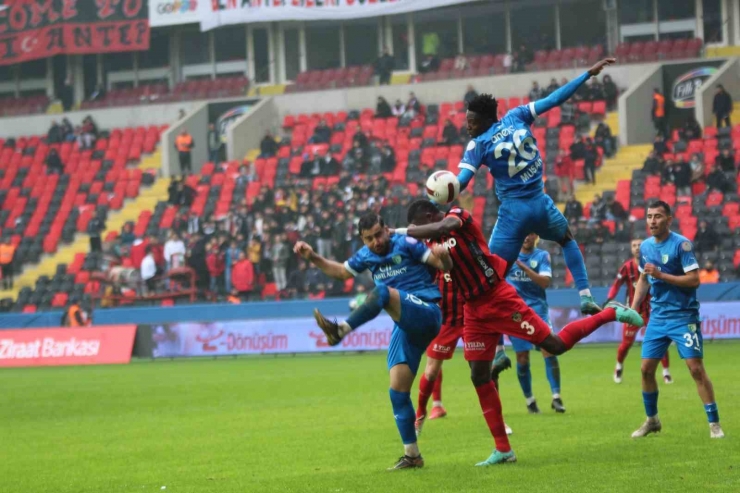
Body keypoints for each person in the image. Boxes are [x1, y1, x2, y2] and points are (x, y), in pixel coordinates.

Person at [404, 199, 644, 466]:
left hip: (498, 298)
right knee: (479, 375)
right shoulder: (432, 242)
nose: (421, 233)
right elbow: (437, 267)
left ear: (428, 215)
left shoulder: (457, 216)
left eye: (420, 226)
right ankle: (503, 449)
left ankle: (610, 313)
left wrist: (406, 231)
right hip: (472, 308)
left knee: (555, 346)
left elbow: (447, 224)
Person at [456, 58, 615, 316]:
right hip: (540, 204)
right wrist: (586, 75)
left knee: (493, 275)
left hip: (513, 213)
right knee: (566, 240)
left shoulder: (479, 144)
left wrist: (444, 192)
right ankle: (585, 295)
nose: (468, 127)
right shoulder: (516, 116)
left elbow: (463, 180)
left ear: (484, 120)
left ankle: (494, 345)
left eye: (471, 122)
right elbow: (554, 100)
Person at [294, 212, 452, 470]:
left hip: (426, 310)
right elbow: (341, 272)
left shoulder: (406, 243)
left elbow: (441, 264)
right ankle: (412, 455)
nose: (376, 241)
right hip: (405, 324)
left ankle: (341, 330)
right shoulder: (366, 255)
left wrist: (444, 258)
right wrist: (312, 257)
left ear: (387, 229)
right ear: (362, 239)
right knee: (398, 392)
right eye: (369, 238)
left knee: (381, 291)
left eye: (379, 234)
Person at [630, 200, 724, 439]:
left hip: (683, 316)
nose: (652, 221)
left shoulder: (682, 245)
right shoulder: (646, 248)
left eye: (658, 216)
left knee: (695, 369)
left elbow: (694, 280)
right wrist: (633, 308)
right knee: (645, 369)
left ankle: (714, 423)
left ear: (669, 220)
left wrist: (661, 275)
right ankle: (652, 420)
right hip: (658, 317)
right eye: (649, 216)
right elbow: (643, 279)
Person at [504, 233, 565, 414]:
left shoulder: (542, 256)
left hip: (538, 310)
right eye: (524, 232)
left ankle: (556, 397)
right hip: (515, 313)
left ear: (536, 236)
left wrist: (525, 269)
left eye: (530, 233)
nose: (526, 237)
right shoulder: (509, 255)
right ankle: (530, 400)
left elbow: (545, 282)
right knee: (522, 357)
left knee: (549, 349)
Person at [605, 238, 671, 384]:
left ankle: (666, 372)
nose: (636, 248)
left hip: (651, 310)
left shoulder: (652, 265)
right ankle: (619, 367)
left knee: (659, 340)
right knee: (626, 344)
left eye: (639, 245)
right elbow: (616, 285)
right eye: (634, 245)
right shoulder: (626, 267)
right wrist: (609, 298)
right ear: (630, 248)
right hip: (633, 310)